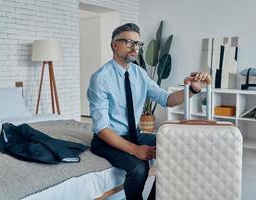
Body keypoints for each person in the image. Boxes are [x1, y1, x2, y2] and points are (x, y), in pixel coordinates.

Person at [87, 23, 210, 200]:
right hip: (106, 140)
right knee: (139, 168)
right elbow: (101, 128)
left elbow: (166, 99)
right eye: (129, 42)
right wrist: (136, 150)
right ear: (115, 45)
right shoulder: (100, 79)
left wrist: (192, 89)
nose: (135, 48)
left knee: (179, 147)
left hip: (135, 134)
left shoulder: (140, 73)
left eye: (138, 44)